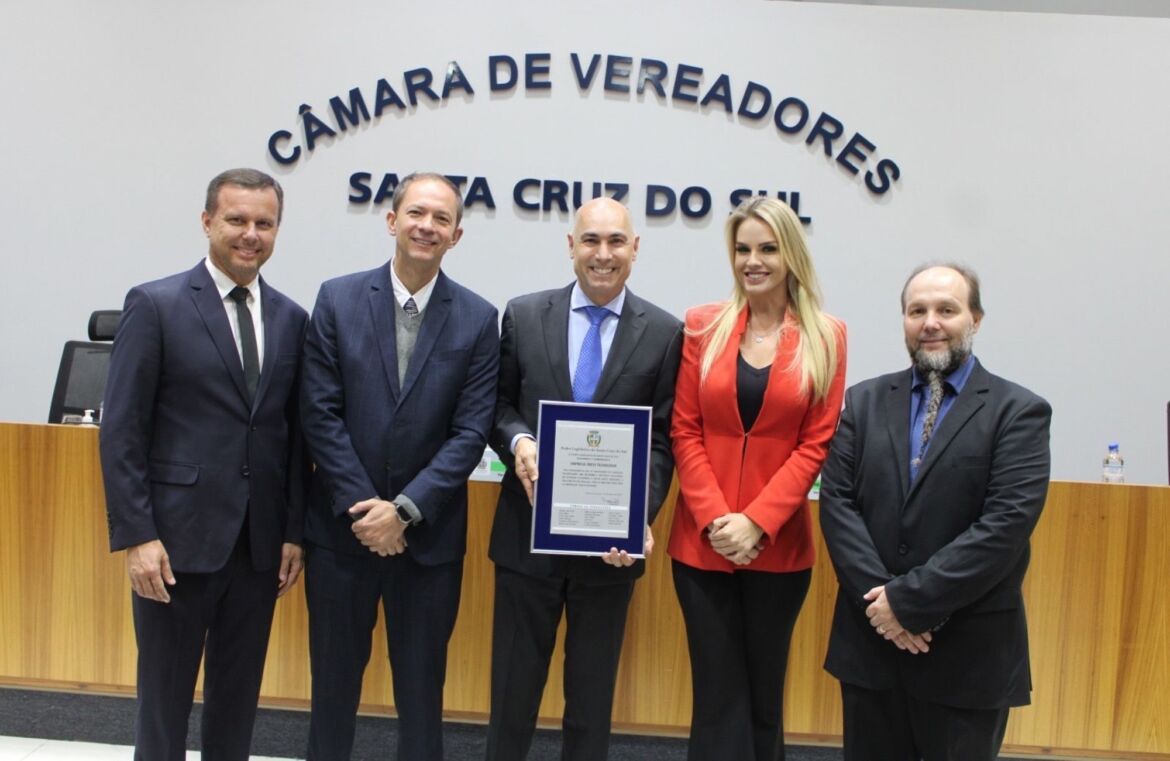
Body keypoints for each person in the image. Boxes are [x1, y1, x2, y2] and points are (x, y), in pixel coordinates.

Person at [99, 168, 308, 760]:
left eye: (264, 223)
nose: (250, 234)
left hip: (257, 549)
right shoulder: (156, 304)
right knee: (163, 704)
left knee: (236, 704)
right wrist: (137, 536)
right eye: (236, 220)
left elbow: (295, 438)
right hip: (173, 545)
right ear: (207, 221)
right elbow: (122, 429)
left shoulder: (292, 319)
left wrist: (293, 532)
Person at [300, 172, 499, 761]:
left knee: (421, 696)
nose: (426, 226)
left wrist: (404, 511)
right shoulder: (336, 300)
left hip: (427, 544)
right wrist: (368, 510)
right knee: (332, 691)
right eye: (416, 213)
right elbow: (320, 413)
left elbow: (470, 432)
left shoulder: (478, 318)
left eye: (441, 219)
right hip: (342, 536)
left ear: (456, 235)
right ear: (392, 221)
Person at [819, 263, 1052, 761]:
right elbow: (838, 505)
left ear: (976, 319)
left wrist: (908, 603)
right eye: (916, 310)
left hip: (968, 656)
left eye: (947, 309)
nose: (930, 322)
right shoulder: (863, 401)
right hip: (872, 647)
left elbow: (1005, 525)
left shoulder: (1018, 411)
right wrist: (884, 608)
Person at [485, 197, 683, 761]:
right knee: (511, 698)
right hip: (527, 542)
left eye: (616, 241)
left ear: (635, 249)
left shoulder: (665, 332)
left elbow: (662, 439)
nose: (603, 254)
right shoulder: (524, 315)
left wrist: (637, 517)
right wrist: (520, 441)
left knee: (591, 707)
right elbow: (496, 406)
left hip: (609, 551)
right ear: (571, 246)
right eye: (591, 240)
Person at [668, 196, 847, 761]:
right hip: (702, 545)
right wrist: (717, 519)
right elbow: (685, 429)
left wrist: (757, 522)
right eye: (742, 249)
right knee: (716, 695)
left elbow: (816, 443)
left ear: (791, 255)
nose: (753, 261)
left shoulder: (827, 336)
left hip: (779, 549)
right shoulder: (702, 326)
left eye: (768, 249)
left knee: (765, 697)